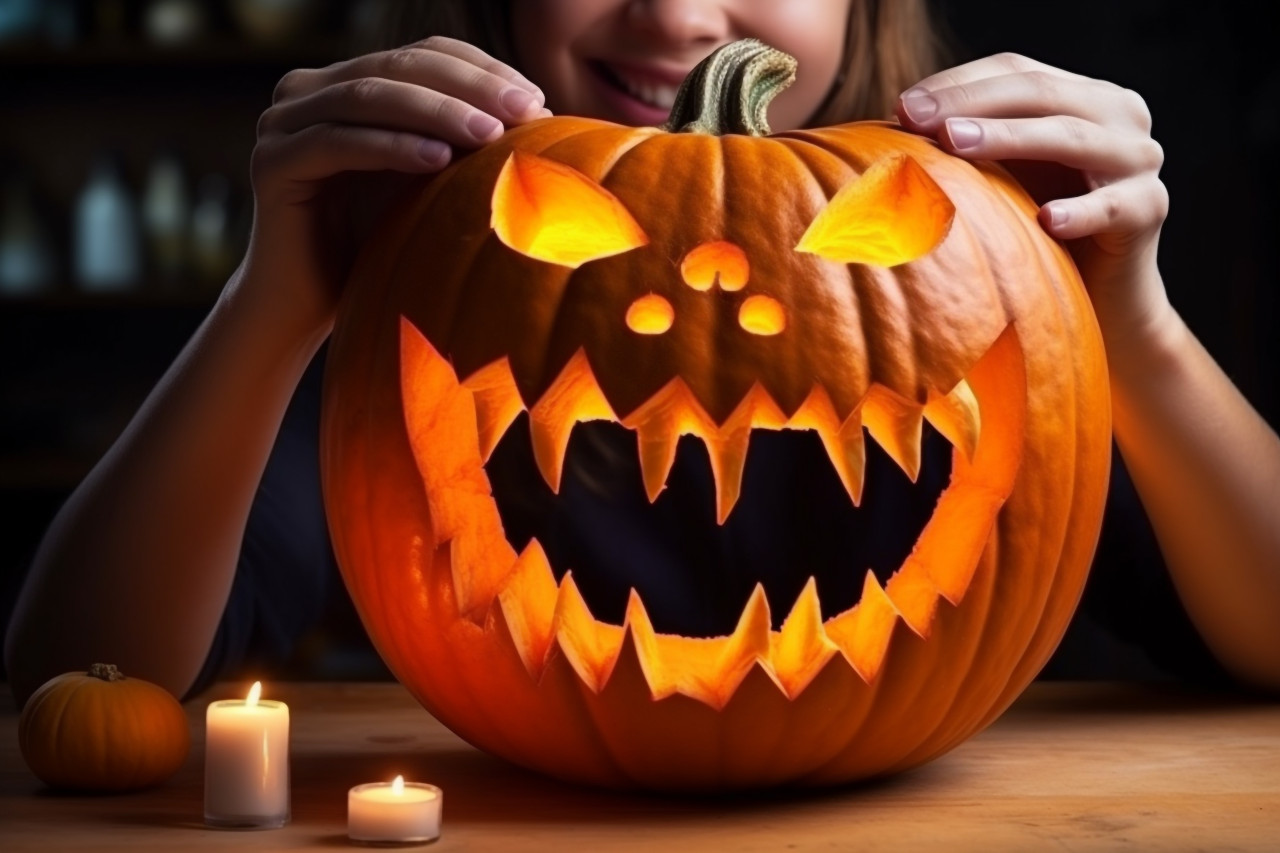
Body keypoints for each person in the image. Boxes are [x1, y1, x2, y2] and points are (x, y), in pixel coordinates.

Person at [6, 0, 1280, 706]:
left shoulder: (977, 279)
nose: (674, 12)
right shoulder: (435, 284)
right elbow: (74, 679)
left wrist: (1131, 328)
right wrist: (272, 305)